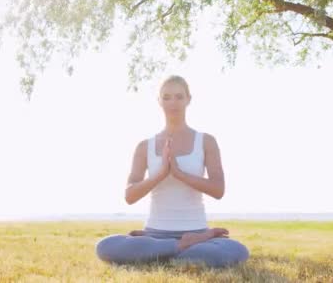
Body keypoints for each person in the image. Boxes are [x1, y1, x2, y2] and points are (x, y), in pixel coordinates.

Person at [95, 75, 250, 268]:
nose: (173, 102)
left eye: (179, 96)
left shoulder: (206, 141)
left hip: (197, 233)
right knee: (105, 246)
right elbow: (130, 195)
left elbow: (218, 190)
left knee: (236, 250)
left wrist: (179, 174)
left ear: (188, 99)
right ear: (159, 101)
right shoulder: (145, 146)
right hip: (155, 234)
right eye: (166, 97)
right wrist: (161, 174)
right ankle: (179, 247)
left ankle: (160, 252)